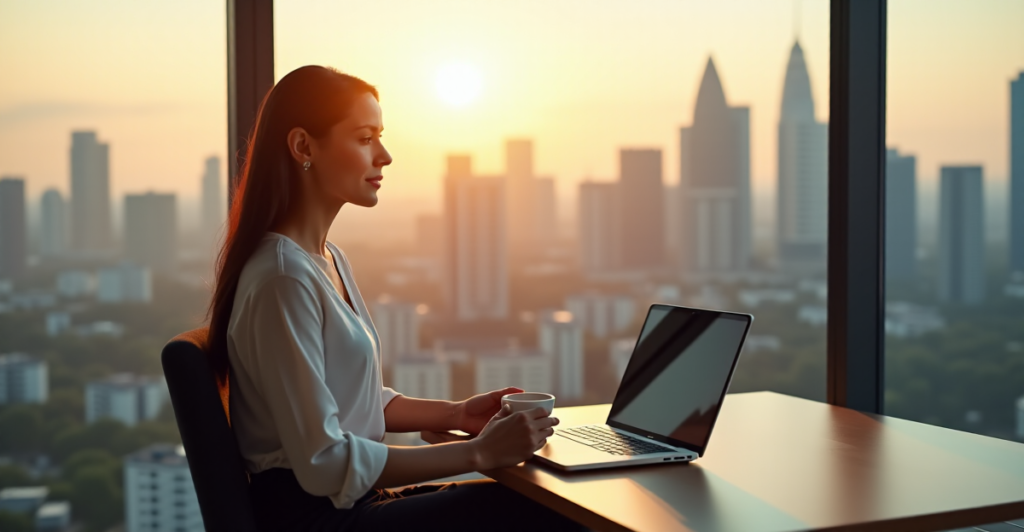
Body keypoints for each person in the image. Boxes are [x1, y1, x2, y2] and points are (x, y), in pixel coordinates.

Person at [205, 65, 585, 531]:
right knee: (544, 513)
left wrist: (457, 413)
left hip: (352, 503)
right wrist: (478, 452)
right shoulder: (283, 278)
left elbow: (355, 401)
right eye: (365, 138)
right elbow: (323, 461)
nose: (384, 156)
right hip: (319, 519)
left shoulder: (325, 259)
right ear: (304, 146)